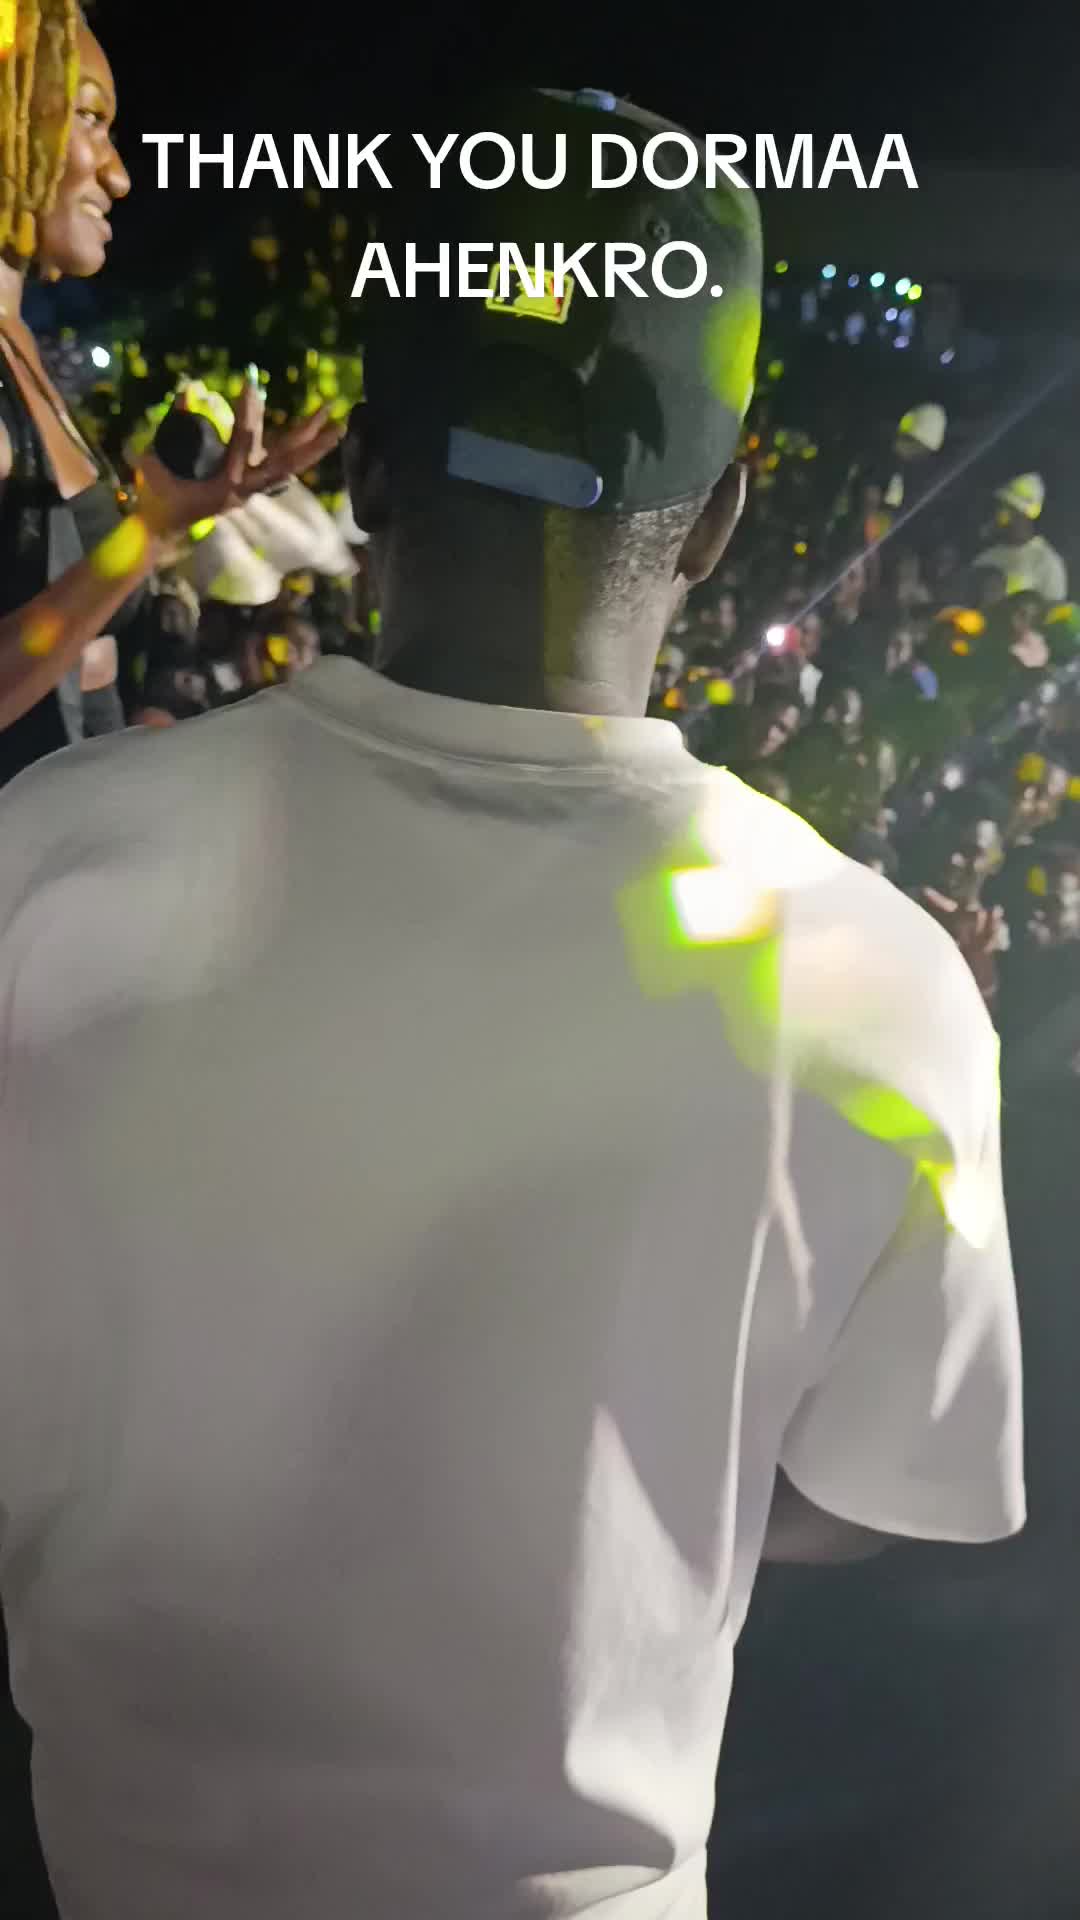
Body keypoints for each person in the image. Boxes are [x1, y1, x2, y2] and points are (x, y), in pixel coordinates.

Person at [0, 87, 1023, 1920]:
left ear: (371, 472)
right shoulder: (882, 985)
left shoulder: (51, 860)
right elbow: (882, 1484)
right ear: (718, 519)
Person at [0, 8, 340, 788]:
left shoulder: (22, 355)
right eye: (90, 119)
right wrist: (148, 534)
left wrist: (172, 518)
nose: (118, 175)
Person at [974, 474, 1067, 604]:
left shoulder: (1047, 562)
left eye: (1008, 508)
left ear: (1024, 515)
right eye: (1001, 507)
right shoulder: (986, 556)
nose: (1000, 513)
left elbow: (1055, 613)